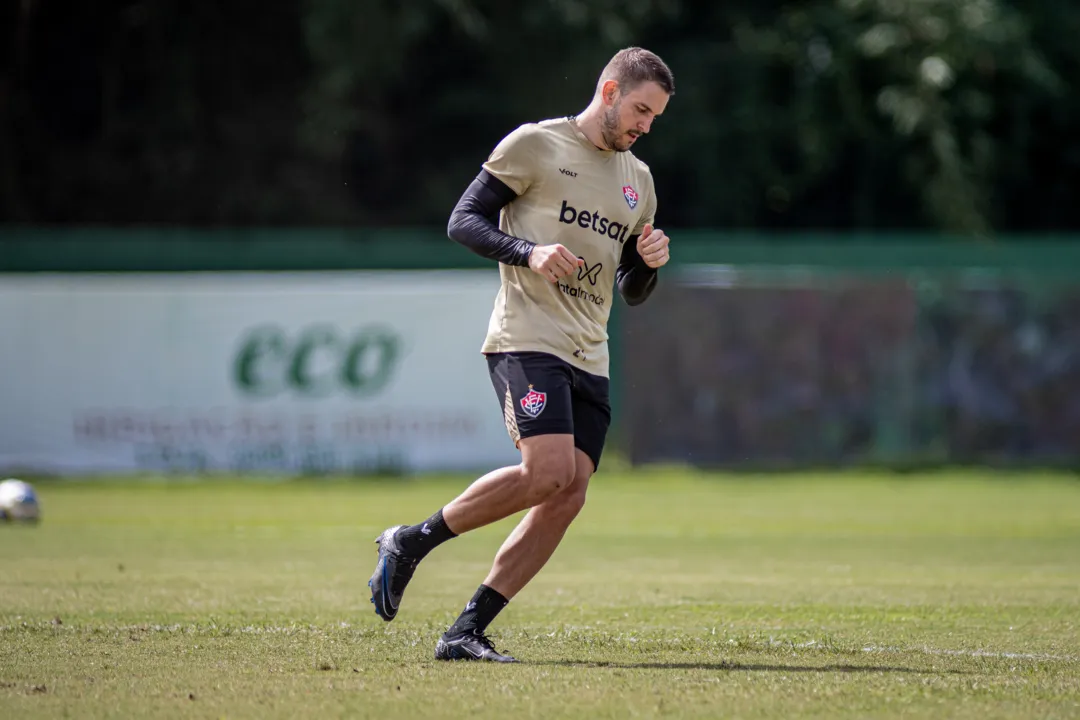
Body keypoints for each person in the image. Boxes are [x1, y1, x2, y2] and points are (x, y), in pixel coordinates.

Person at [367, 46, 675, 663]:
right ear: (609, 91)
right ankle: (410, 542)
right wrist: (527, 252)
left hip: (592, 353)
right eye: (640, 109)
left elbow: (631, 291)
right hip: (527, 336)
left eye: (656, 117)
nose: (645, 125)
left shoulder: (637, 182)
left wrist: (648, 265)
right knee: (546, 471)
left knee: (570, 492)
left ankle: (465, 631)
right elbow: (463, 220)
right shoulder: (536, 145)